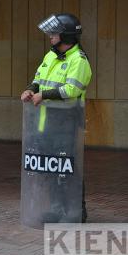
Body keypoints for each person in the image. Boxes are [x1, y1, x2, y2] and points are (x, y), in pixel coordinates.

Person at [20, 13, 92, 223]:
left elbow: (71, 89)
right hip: (45, 123)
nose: (51, 36)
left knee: (66, 168)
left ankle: (75, 211)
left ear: (66, 35)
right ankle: (55, 208)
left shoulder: (78, 61)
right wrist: (30, 90)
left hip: (66, 124)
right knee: (50, 167)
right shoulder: (50, 56)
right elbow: (38, 79)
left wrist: (44, 95)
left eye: (55, 33)